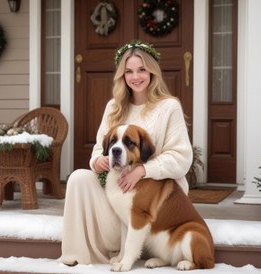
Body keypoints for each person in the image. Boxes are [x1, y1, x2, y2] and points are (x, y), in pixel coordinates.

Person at [59, 40, 193, 266]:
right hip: (117, 184)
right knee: (78, 178)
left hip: (154, 193)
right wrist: (98, 161)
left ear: (152, 72)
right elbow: (98, 150)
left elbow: (181, 158)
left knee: (131, 203)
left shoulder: (169, 107)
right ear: (122, 75)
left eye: (142, 69)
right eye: (129, 71)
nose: (136, 77)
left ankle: (128, 251)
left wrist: (142, 170)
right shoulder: (114, 107)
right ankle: (77, 254)